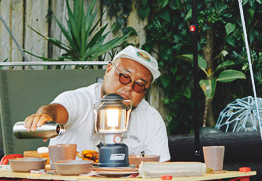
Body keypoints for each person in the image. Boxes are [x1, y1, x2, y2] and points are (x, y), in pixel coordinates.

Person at [22, 45, 171, 160]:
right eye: (125, 76)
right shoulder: (80, 100)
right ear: (108, 70)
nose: (128, 87)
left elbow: (162, 173)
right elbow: (55, 111)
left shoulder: (151, 118)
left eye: (139, 85)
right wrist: (44, 117)